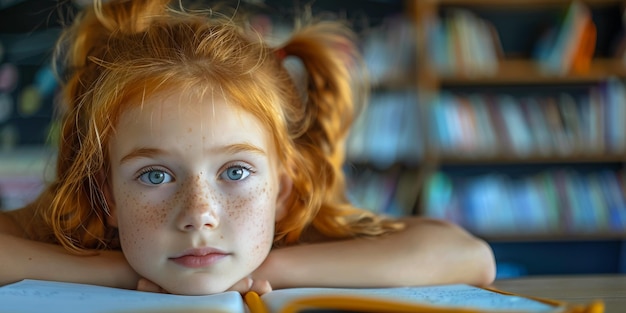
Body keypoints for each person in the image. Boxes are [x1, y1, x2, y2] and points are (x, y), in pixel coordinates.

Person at [0, 0, 495, 295]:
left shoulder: (286, 239)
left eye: (235, 172)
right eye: (155, 175)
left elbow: (468, 255)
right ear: (106, 196)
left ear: (281, 189)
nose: (199, 215)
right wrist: (116, 272)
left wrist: (272, 267)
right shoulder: (72, 232)